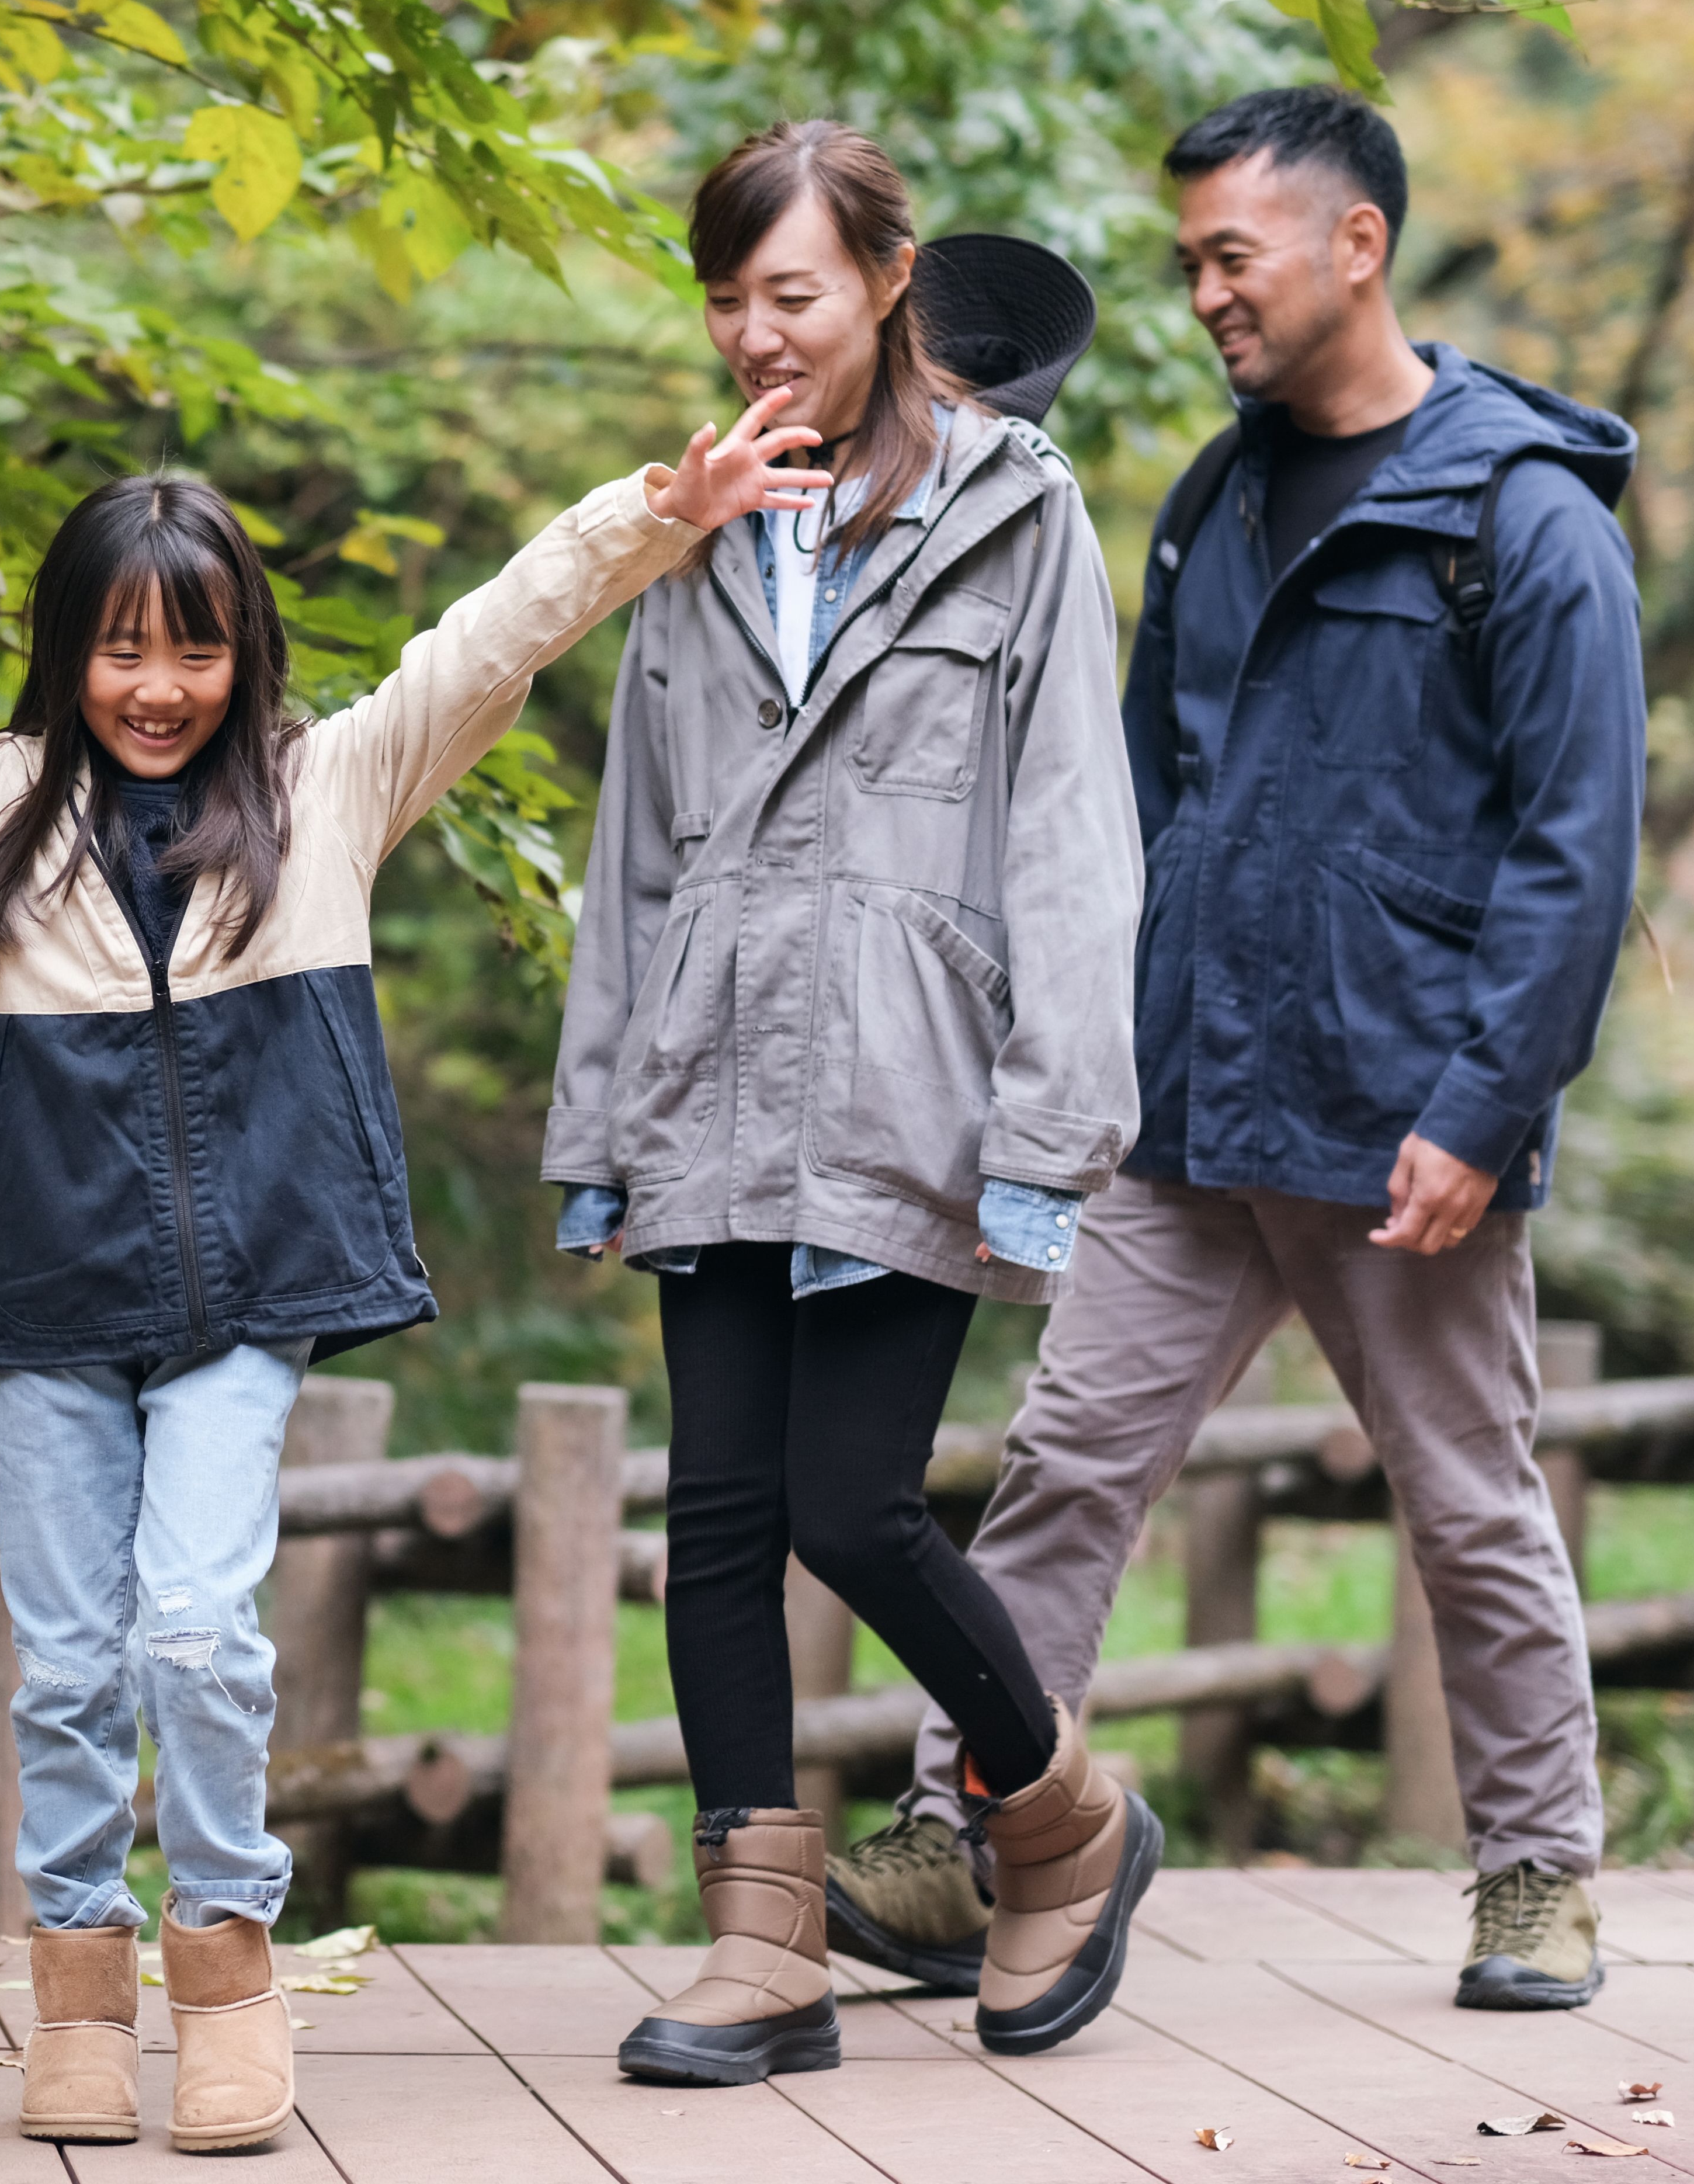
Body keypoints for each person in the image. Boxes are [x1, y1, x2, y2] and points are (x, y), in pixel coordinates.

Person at [0, 391, 827, 2151]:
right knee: (64, 1672)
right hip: (64, 1314)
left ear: (247, 656)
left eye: (196, 651)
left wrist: (657, 516)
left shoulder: (323, 793)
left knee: (197, 1634)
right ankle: (77, 1979)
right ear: (65, 652)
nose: (158, 688)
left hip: (253, 1306)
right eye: (121, 650)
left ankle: (225, 1970)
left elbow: (488, 641)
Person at [848, 85, 1646, 2012]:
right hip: (1186, 1098)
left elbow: (1578, 845)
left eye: (1234, 254)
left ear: (1355, 245)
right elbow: (1124, 798)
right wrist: (1083, 1042)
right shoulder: (1212, 499)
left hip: (1403, 1128)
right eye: (1189, 258)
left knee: (1468, 1502)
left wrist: (1486, 1106)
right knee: (1061, 1472)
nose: (1204, 292)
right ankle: (975, 1829)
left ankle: (1539, 1874)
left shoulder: (1522, 522)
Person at [544, 120, 1155, 2084]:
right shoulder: (693, 523)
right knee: (714, 1527)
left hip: (914, 1081)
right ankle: (765, 1954)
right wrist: (595, 1130)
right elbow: (634, 847)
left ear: (890, 281)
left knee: (855, 1510)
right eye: (724, 299)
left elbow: (1073, 835)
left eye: (788, 294)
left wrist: (1054, 1138)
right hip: (711, 1076)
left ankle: (1056, 1819)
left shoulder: (1017, 510)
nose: (751, 334)